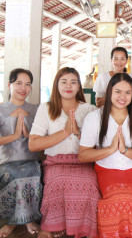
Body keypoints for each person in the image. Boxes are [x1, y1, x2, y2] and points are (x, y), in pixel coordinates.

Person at [79, 73, 132, 238]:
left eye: (128, 92)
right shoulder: (94, 118)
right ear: (109, 92)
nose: (123, 96)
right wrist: (111, 149)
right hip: (107, 168)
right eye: (118, 91)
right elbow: (83, 155)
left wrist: (125, 151)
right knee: (116, 197)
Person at [29, 67, 99, 238]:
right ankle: (53, 225)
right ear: (56, 85)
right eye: (64, 81)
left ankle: (82, 229)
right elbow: (33, 144)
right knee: (56, 182)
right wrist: (65, 132)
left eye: (73, 82)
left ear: (79, 87)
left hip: (83, 161)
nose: (69, 86)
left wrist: (77, 133)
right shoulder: (46, 108)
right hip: (55, 163)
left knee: (90, 183)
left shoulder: (89, 110)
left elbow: (97, 145)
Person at [0, 69, 41, 237]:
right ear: (10, 85)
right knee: (14, 174)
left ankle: (28, 218)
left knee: (33, 171)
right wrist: (15, 136)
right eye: (18, 83)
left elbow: (43, 137)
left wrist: (29, 135)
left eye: (27, 84)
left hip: (31, 159)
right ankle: (12, 221)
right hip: (7, 161)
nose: (23, 88)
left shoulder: (37, 109)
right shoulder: (1, 109)